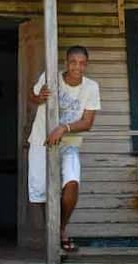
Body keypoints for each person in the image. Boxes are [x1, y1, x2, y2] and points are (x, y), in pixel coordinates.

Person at [27, 45, 100, 252]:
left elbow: (87, 122)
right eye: (74, 62)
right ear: (66, 63)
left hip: (69, 143)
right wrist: (38, 97)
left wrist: (64, 128)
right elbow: (31, 97)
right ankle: (52, 229)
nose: (78, 67)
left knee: (72, 183)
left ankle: (60, 228)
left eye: (82, 63)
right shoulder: (50, 77)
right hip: (42, 139)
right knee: (40, 189)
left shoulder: (91, 87)